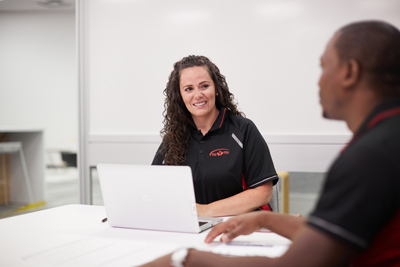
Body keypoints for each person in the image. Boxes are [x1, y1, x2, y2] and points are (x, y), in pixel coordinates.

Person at [142, 20, 400, 267]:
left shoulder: (372, 156)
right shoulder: (382, 139)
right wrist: (265, 218)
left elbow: (300, 261)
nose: (318, 81)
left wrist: (186, 260)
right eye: (188, 89)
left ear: (350, 72)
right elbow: (332, 229)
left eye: (323, 67)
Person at [152, 55, 278, 217]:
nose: (197, 95)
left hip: (237, 228)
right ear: (180, 96)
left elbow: (263, 193)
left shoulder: (243, 130)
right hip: (189, 227)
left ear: (216, 88)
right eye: (189, 89)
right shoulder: (173, 138)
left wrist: (205, 210)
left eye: (204, 86)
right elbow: (154, 187)